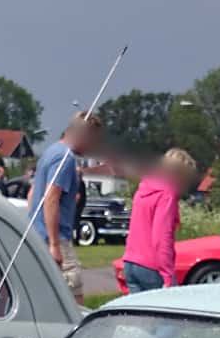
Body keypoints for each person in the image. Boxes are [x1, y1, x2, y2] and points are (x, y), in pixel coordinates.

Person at [27, 113, 103, 300]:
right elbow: (51, 198)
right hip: (56, 238)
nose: (93, 147)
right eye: (93, 140)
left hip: (37, 235)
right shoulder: (65, 158)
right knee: (74, 298)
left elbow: (32, 194)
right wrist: (54, 244)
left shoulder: (50, 152)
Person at [120, 148, 198, 292]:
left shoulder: (143, 189)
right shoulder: (167, 194)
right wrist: (168, 275)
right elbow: (161, 237)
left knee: (137, 313)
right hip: (152, 268)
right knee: (168, 311)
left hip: (131, 262)